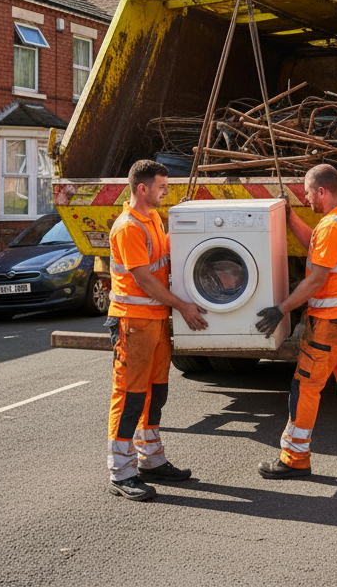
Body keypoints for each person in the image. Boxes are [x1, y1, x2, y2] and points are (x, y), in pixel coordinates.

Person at [253, 164, 337, 481]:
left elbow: (317, 279)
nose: (305, 199)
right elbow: (317, 249)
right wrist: (291, 217)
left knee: (305, 388)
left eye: (307, 193)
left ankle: (295, 459)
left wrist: (282, 308)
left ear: (322, 191)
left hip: (329, 325)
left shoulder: (331, 226)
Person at [105, 159, 210, 501]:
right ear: (142, 189)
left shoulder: (151, 218)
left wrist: (181, 222)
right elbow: (145, 279)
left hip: (154, 321)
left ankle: (150, 460)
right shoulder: (128, 227)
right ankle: (121, 473)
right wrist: (183, 307)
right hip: (133, 323)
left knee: (155, 392)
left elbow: (163, 258)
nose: (167, 192)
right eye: (163, 187)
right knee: (130, 396)